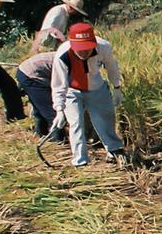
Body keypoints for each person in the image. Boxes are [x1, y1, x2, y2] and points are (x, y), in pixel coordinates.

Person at [50, 22, 127, 167]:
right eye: (80, 49)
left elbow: (112, 68)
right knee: (76, 123)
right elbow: (58, 84)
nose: (84, 53)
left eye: (87, 49)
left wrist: (117, 87)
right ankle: (80, 161)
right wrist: (59, 109)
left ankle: (114, 150)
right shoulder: (62, 54)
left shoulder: (103, 47)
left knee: (106, 118)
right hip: (72, 91)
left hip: (97, 88)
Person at [15, 51, 63, 141]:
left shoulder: (69, 57)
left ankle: (41, 132)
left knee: (40, 108)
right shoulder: (66, 62)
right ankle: (58, 139)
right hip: (31, 75)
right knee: (51, 111)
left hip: (27, 71)